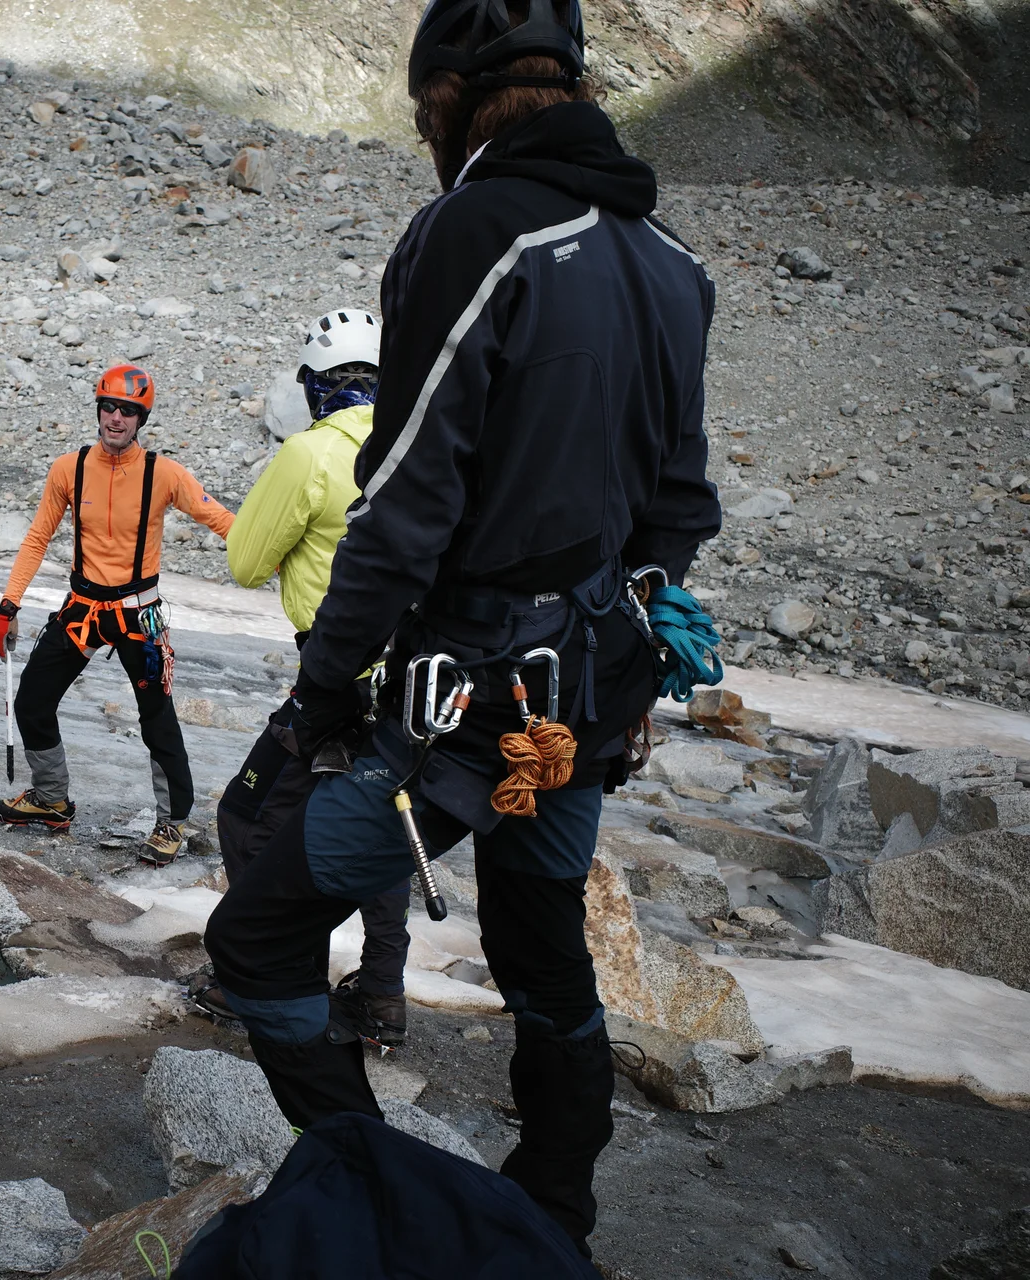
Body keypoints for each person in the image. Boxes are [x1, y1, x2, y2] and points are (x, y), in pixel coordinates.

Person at [202, 0, 720, 1258]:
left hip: (469, 711)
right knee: (540, 951)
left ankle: (378, 1198)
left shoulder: (476, 232)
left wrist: (324, 692)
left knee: (257, 937)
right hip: (587, 704)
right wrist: (626, 631)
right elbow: (680, 503)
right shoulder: (673, 264)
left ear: (448, 94)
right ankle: (553, 1221)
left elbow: (404, 503)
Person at [208, 309, 414, 1048]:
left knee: (248, 816)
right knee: (385, 820)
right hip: (414, 680)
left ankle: (261, 970)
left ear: (315, 384)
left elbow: (245, 562)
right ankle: (382, 994)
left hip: (334, 675)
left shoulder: (311, 452)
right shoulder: (418, 447)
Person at [0, 364, 236, 865]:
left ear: (142, 418)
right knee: (32, 701)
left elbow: (222, 520)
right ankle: (51, 799)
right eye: (109, 407)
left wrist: (281, 556)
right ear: (98, 410)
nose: (116, 418)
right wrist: (8, 605)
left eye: (128, 410)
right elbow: (37, 538)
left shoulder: (164, 474)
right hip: (82, 610)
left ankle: (172, 822)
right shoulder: (69, 468)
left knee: (157, 720)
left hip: (138, 615)